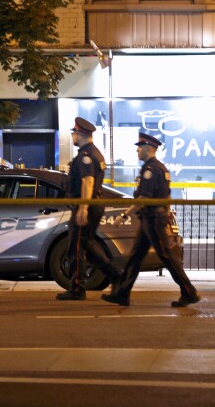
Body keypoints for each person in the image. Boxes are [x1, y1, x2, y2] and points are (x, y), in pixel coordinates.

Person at [102, 133, 200, 307]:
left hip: (153, 219)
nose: (137, 150)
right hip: (152, 218)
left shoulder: (150, 169)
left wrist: (124, 215)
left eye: (140, 147)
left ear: (149, 148)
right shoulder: (160, 168)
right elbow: (167, 195)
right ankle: (122, 294)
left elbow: (143, 199)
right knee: (135, 256)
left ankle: (189, 291)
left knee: (166, 256)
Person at [57, 117, 122, 301]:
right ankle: (116, 274)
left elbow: (88, 182)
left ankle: (77, 288)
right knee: (85, 243)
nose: (72, 136)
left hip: (86, 205)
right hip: (91, 204)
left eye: (74, 133)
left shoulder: (86, 156)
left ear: (81, 134)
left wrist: (83, 209)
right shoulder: (93, 153)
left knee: (76, 246)